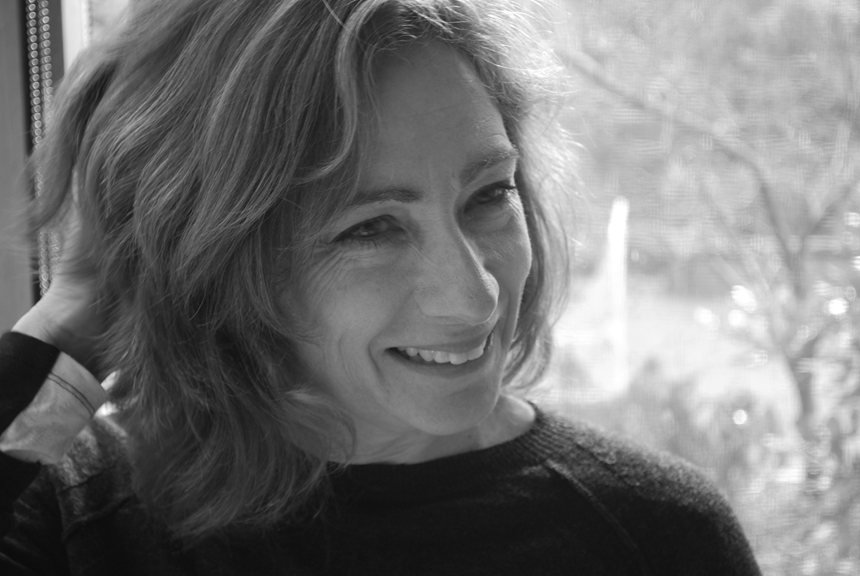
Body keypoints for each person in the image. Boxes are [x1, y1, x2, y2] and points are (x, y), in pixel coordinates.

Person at [0, 0, 762, 574]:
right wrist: (74, 320)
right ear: (215, 259)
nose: (475, 298)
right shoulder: (76, 518)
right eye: (370, 229)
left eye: (489, 195)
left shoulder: (655, 535)